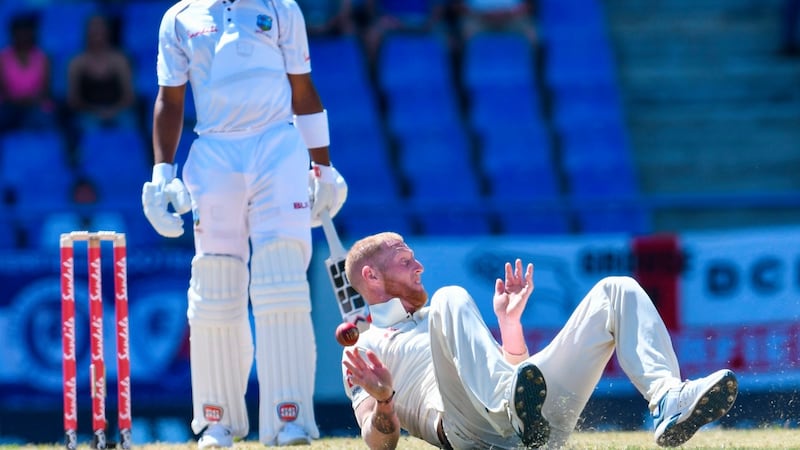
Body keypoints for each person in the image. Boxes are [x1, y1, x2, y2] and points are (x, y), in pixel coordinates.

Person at [141, 0, 348, 447]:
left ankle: (288, 420)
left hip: (277, 146)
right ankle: (217, 422)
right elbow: (169, 97)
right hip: (214, 151)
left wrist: (323, 168)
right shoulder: (180, 17)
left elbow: (303, 87)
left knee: (282, 283)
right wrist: (162, 174)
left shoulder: (280, 7)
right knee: (215, 288)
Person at [341, 232, 739, 449]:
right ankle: (510, 410)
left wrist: (508, 323)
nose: (419, 266)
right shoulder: (363, 350)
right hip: (470, 434)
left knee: (617, 288)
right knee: (451, 296)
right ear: (372, 278)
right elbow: (379, 445)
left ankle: (668, 398)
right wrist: (384, 400)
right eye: (406, 260)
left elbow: (519, 378)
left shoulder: (442, 318)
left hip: (535, 428)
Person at [66, 14, 137, 131]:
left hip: (118, 111)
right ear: (86, 33)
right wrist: (96, 112)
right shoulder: (76, 63)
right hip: (88, 114)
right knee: (85, 126)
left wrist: (112, 111)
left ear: (107, 32)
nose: (97, 34)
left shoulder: (120, 60)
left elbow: (129, 96)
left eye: (100, 29)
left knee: (128, 124)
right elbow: (73, 99)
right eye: (93, 30)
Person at [0, 12, 58, 132]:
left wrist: (31, 101)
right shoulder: (3, 58)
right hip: (9, 105)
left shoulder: (44, 58)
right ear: (12, 33)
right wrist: (17, 102)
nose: (23, 35)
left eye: (26, 31)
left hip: (36, 106)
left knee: (44, 120)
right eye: (19, 31)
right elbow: (3, 89)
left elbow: (46, 90)